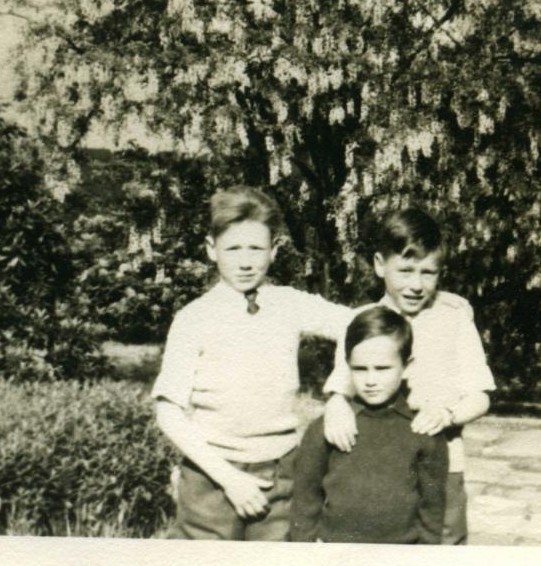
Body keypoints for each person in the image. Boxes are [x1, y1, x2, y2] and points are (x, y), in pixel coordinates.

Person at [152, 186, 353, 541]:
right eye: (232, 248)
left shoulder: (288, 304)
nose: (245, 262)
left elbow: (361, 327)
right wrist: (228, 478)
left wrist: (338, 395)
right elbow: (168, 411)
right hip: (210, 478)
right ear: (211, 249)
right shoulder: (194, 318)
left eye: (256, 248)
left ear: (274, 249)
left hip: (281, 472)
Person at [322, 208, 495, 544]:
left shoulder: (454, 317)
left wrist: (448, 414)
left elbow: (481, 395)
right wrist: (336, 406)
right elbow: (340, 388)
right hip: (379, 467)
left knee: (443, 548)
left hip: (443, 467)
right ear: (378, 265)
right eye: (404, 270)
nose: (416, 285)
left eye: (428, 273)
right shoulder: (362, 321)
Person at [289, 307, 449, 544]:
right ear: (348, 365)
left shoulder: (423, 430)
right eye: (360, 369)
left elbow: (432, 511)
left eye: (382, 369)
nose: (371, 380)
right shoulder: (327, 428)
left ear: (407, 366)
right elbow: (305, 501)